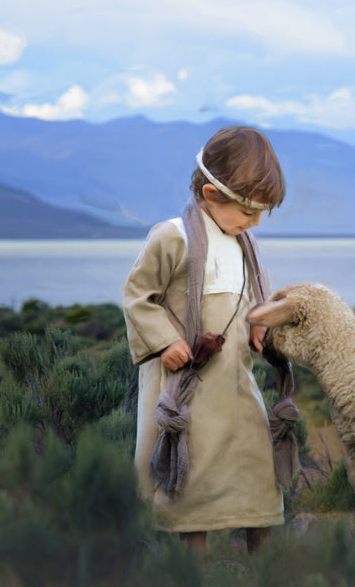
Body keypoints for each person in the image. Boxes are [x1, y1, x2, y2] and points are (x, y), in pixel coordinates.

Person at [122, 126, 287, 555]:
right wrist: (163, 342)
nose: (253, 223)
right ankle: (192, 580)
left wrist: (258, 322)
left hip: (235, 382)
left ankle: (262, 579)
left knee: (255, 468)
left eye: (260, 215)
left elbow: (254, 293)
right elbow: (139, 297)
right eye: (248, 212)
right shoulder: (172, 236)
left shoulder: (242, 243)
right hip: (188, 388)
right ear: (211, 194)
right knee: (191, 480)